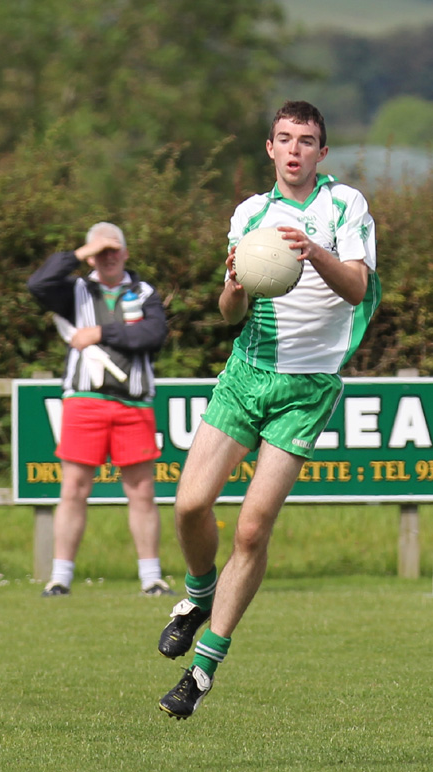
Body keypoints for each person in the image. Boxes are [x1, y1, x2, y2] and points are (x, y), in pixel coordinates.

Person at [157, 101, 381, 718]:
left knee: (253, 527)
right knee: (189, 504)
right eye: (284, 139)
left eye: (306, 141)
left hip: (308, 387)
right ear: (269, 147)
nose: (294, 150)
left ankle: (202, 670)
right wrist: (232, 285)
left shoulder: (346, 207)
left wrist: (315, 252)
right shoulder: (250, 214)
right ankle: (199, 592)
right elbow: (230, 311)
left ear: (321, 153)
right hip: (248, 373)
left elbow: (359, 287)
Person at [28, 221, 174, 597]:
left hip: (133, 402)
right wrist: (77, 255)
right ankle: (60, 578)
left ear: (125, 253)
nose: (107, 258)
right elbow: (38, 285)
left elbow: (153, 334)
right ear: (90, 256)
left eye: (113, 250)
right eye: (99, 252)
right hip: (84, 402)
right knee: (74, 487)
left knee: (141, 490)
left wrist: (100, 333)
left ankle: (151, 578)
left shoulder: (144, 293)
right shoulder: (75, 289)